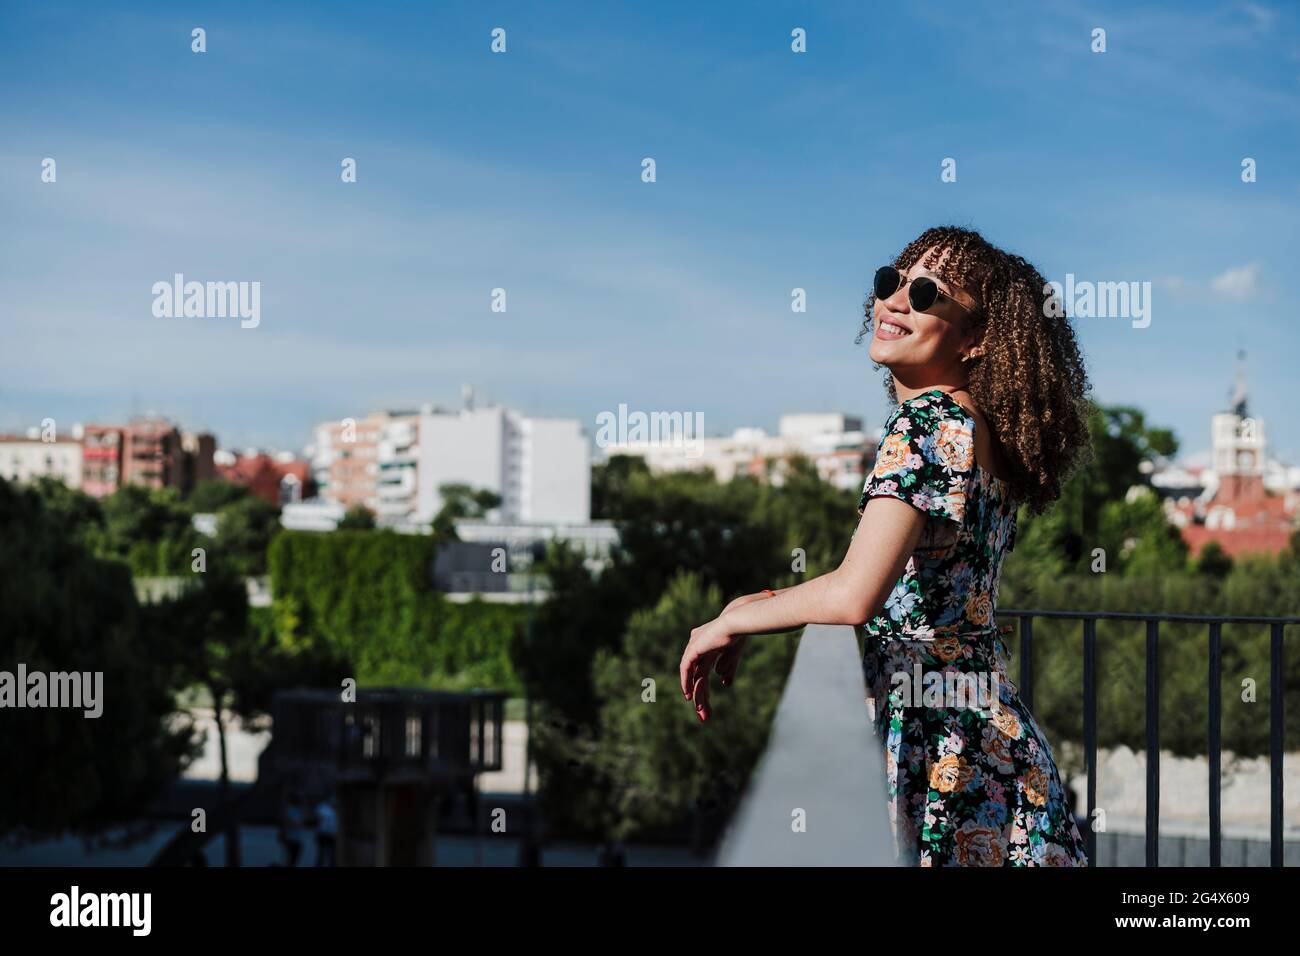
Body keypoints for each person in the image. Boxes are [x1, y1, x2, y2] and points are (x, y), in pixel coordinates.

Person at [678, 226, 1092, 867]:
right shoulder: (974, 429)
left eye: (926, 293)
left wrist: (737, 614)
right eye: (890, 282)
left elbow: (854, 595)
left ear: (977, 339)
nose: (895, 300)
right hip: (986, 738)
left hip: (946, 752)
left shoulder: (926, 423)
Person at [279, 792, 305, 867]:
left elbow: (301, 823)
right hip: (290, 838)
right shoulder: (289, 810)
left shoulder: (299, 810)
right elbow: (288, 822)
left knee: (293, 860)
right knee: (289, 860)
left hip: (297, 838)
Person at [314, 796, 337, 867]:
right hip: (322, 833)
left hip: (332, 834)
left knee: (332, 853)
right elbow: (318, 819)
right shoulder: (322, 807)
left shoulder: (336, 809)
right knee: (321, 853)